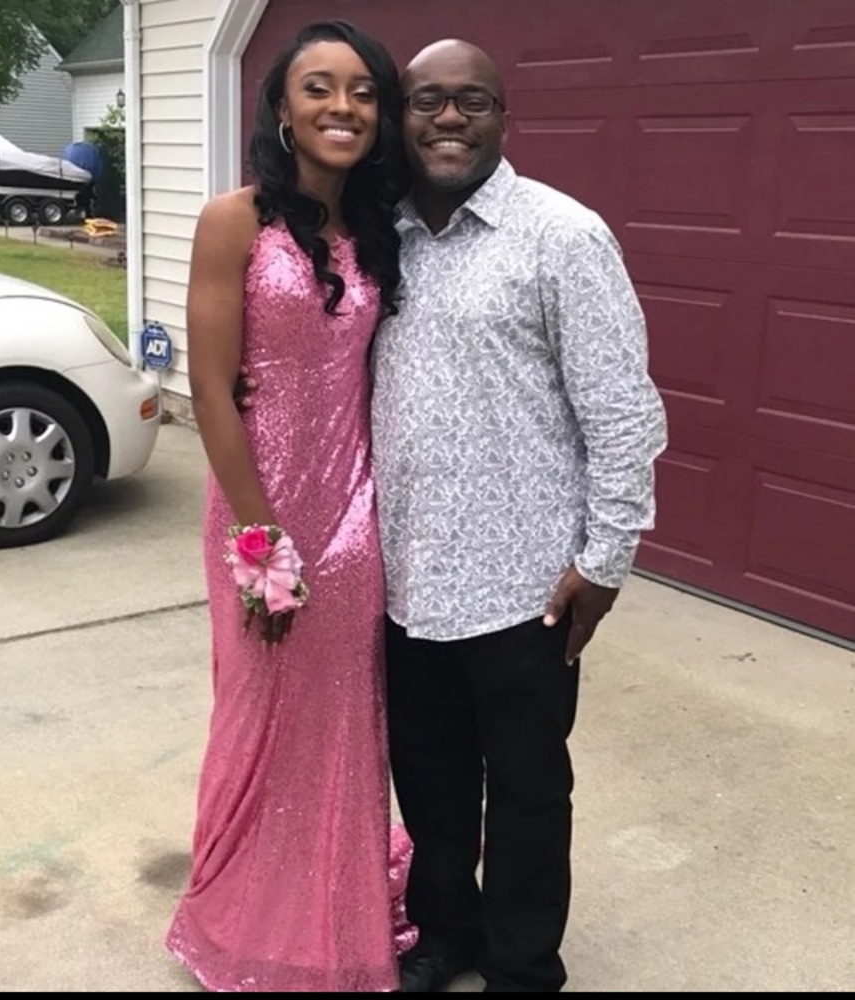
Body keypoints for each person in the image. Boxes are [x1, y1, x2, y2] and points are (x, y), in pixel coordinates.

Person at [371, 40, 668, 994]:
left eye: (473, 101)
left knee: (530, 791)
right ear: (402, 117)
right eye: (428, 100)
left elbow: (623, 414)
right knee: (431, 780)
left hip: (528, 586)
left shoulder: (562, 236)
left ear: (505, 116)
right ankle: (446, 935)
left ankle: (524, 965)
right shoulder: (382, 238)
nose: (449, 119)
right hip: (408, 577)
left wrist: (606, 560)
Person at [164, 19, 414, 994]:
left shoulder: (379, 228)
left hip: (354, 510)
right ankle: (245, 911)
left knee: (342, 718)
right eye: (319, 87)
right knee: (257, 708)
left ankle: (332, 910)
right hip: (259, 511)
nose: (342, 106)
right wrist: (262, 544)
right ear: (280, 108)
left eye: (362, 91)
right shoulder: (233, 220)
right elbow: (212, 386)